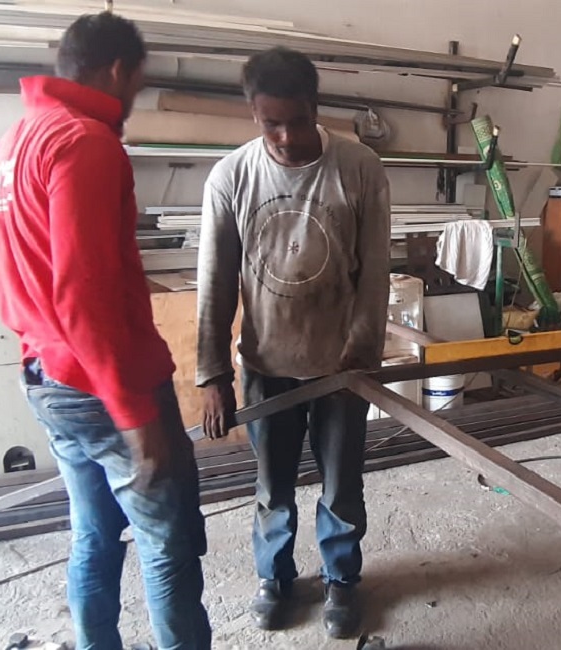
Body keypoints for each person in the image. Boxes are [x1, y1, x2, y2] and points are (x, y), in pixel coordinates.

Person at [0, 13, 211, 650]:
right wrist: (134, 415)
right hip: (102, 383)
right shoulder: (84, 142)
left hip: (46, 374)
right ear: (117, 71)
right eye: (137, 84)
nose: (134, 99)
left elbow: (17, 278)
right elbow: (83, 293)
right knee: (167, 543)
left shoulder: (13, 144)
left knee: (93, 532)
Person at [196, 46, 391, 639]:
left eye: (297, 121)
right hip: (265, 365)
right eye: (270, 123)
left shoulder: (359, 168)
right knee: (271, 488)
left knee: (341, 486)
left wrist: (362, 354)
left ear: (315, 107)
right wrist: (212, 375)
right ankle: (275, 577)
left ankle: (341, 579)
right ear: (253, 114)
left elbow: (374, 274)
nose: (284, 137)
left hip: (340, 367)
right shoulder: (231, 177)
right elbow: (214, 282)